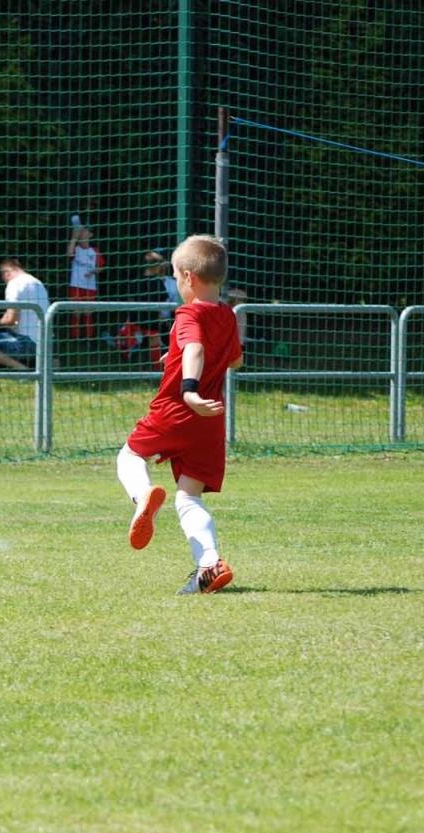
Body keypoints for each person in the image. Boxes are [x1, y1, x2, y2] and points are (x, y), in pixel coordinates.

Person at [114, 234, 244, 595]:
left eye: (174, 276)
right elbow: (235, 359)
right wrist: (175, 357)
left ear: (188, 277)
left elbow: (196, 348)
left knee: (130, 455)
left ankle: (143, 498)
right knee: (189, 496)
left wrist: (187, 388)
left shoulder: (189, 312)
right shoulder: (228, 316)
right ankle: (209, 565)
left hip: (178, 406)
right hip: (211, 419)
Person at [0, 257, 49, 371]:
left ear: (7, 273)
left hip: (27, 342)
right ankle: (42, 362)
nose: (3, 279)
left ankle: (21, 368)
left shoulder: (14, 284)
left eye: (2, 275)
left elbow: (11, 319)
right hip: (45, 343)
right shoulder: (38, 283)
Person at [66, 225, 103, 338]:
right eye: (80, 231)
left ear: (90, 235)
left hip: (90, 286)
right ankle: (74, 338)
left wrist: (93, 271)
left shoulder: (94, 251)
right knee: (76, 312)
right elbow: (69, 254)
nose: (82, 233)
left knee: (88, 312)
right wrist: (74, 237)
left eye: (84, 231)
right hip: (76, 285)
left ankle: (89, 338)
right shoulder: (76, 248)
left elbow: (101, 266)